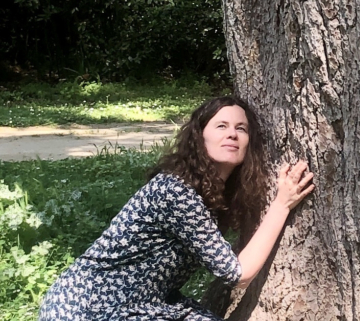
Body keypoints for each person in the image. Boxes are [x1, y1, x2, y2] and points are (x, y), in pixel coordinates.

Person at [38, 96, 315, 321]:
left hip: (144, 302)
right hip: (89, 308)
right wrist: (281, 204)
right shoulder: (176, 191)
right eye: (221, 126)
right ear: (200, 137)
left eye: (240, 128)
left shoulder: (215, 193)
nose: (232, 133)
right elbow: (238, 275)